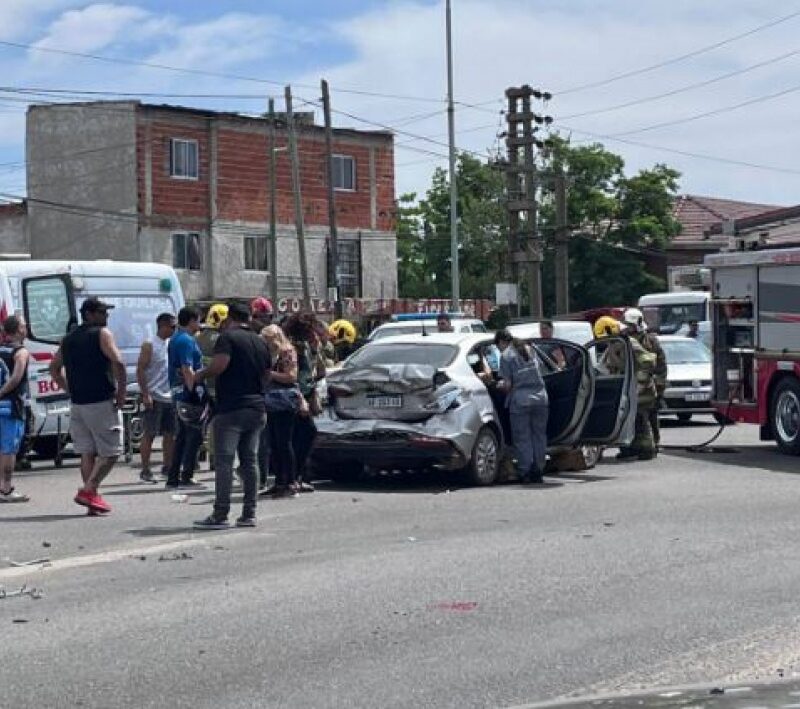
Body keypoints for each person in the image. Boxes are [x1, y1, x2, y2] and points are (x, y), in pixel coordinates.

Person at [193, 302, 271, 529]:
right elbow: (267, 375)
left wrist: (200, 375)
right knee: (250, 460)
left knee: (225, 461)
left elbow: (220, 365)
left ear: (229, 318)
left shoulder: (227, 338)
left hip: (232, 408)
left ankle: (221, 513)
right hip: (257, 408)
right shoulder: (260, 341)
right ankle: (249, 513)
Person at [49, 297, 126, 514]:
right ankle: (89, 490)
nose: (106, 316)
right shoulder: (102, 334)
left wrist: (69, 389)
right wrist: (121, 393)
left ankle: (92, 502)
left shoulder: (68, 339)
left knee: (88, 453)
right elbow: (118, 362)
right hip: (100, 401)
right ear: (90, 314)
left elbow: (54, 369)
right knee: (111, 452)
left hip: (79, 404)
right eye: (102, 312)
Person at [494, 329, 549, 484]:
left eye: (498, 347)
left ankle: (525, 471)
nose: (499, 350)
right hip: (541, 398)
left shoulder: (506, 356)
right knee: (539, 436)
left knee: (522, 438)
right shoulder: (530, 349)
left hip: (521, 401)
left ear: (502, 342)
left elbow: (508, 385)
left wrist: (497, 385)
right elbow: (543, 371)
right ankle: (538, 470)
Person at [136, 312, 177, 483]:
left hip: (170, 396)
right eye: (172, 327)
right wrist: (145, 394)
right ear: (163, 326)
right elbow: (140, 370)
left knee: (170, 434)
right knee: (150, 433)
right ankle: (145, 469)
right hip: (154, 395)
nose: (174, 330)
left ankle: (168, 467)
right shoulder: (150, 345)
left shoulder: (173, 344)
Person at [166, 306, 204, 489]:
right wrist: (194, 391)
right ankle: (186, 474)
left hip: (179, 391)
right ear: (191, 320)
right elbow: (187, 368)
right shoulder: (185, 341)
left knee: (182, 436)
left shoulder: (178, 339)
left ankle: (174, 476)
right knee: (194, 434)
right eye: (198, 320)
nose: (200, 324)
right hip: (187, 393)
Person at [284, 313, 322, 493]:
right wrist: (301, 400)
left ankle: (297, 476)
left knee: (302, 436)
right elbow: (295, 377)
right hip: (296, 397)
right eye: (312, 329)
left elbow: (315, 372)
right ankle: (292, 477)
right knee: (304, 434)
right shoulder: (294, 348)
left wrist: (316, 350)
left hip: (306, 395)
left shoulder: (307, 347)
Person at [261, 324, 299, 498]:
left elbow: (291, 376)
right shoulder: (269, 354)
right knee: (273, 444)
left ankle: (290, 482)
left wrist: (271, 374)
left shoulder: (287, 352)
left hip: (284, 400)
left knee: (284, 443)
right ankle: (278, 481)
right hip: (270, 400)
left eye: (268, 339)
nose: (266, 342)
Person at [622, 308, 666, 454]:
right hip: (630, 386)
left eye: (630, 325)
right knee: (633, 418)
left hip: (648, 386)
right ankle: (632, 447)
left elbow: (660, 366)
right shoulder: (623, 340)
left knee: (649, 417)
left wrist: (659, 387)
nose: (629, 328)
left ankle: (652, 445)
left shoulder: (651, 341)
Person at [0, 315, 30, 503]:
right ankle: (6, 488)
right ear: (19, 330)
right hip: (11, 404)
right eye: (24, 326)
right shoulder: (21, 352)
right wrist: (2, 392)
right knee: (9, 449)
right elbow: (16, 378)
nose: (26, 328)